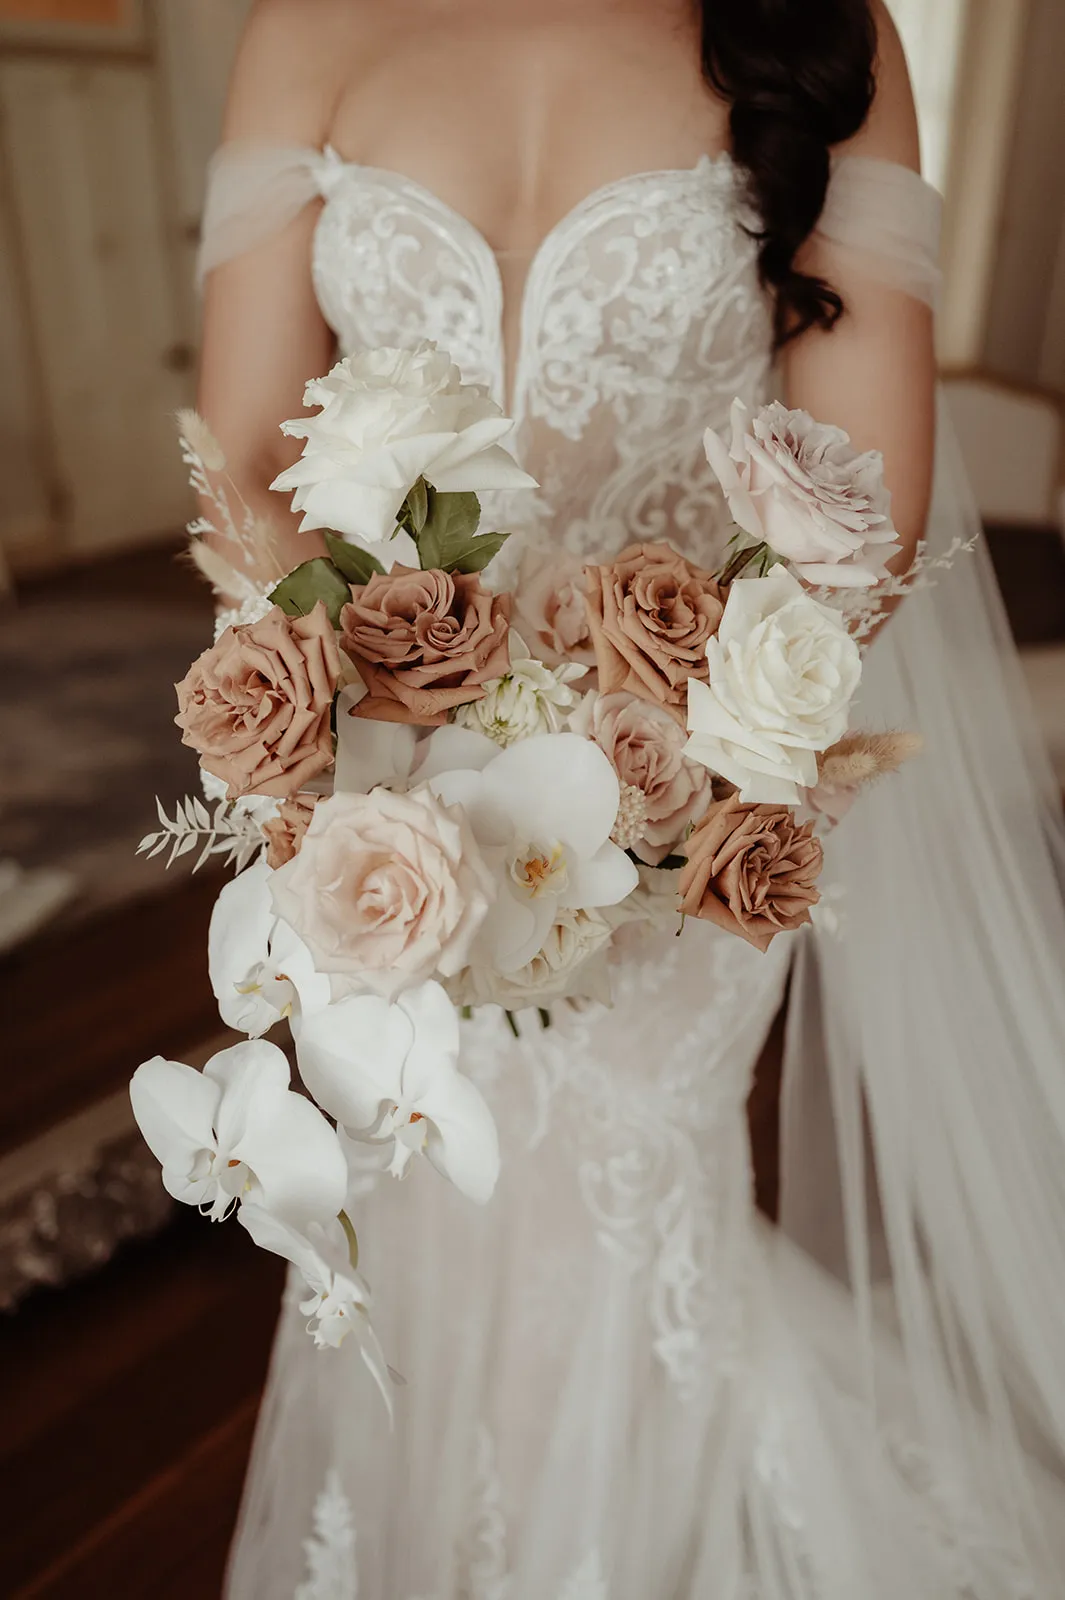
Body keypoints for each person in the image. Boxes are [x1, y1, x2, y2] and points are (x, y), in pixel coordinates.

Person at [196, 2, 1065, 1594]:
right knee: (425, 1214)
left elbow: (862, 501)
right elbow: (246, 457)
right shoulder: (307, 24)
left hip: (684, 801)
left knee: (615, 1222)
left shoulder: (822, 30)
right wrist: (377, 734)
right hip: (382, 803)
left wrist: (633, 776)